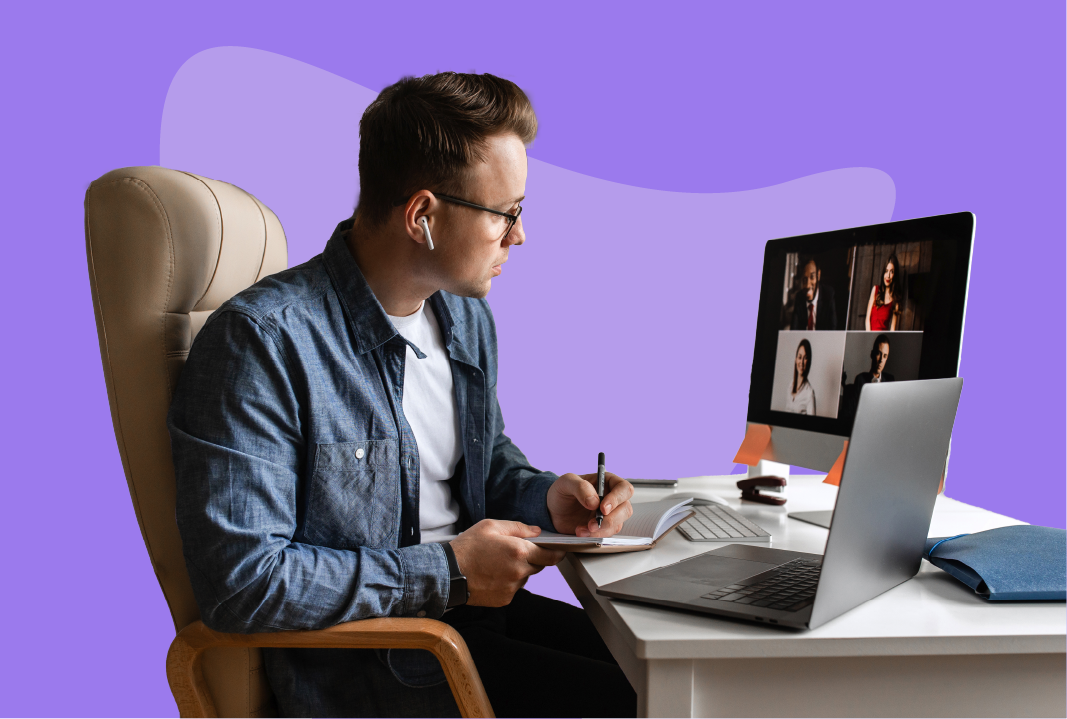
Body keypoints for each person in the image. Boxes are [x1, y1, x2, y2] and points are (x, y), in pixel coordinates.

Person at [168, 72, 638, 718]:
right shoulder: (262, 343)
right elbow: (243, 583)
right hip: (375, 666)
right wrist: (446, 568)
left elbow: (478, 461)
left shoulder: (464, 317)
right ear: (422, 215)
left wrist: (545, 497)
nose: (518, 237)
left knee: (669, 670)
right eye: (507, 213)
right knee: (652, 701)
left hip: (468, 618)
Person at [789, 256, 838, 330]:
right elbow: (793, 330)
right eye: (805, 279)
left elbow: (833, 330)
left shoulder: (828, 295)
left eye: (812, 277)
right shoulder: (799, 298)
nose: (808, 285)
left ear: (818, 275)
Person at [865, 253, 901, 331]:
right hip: (870, 337)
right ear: (883, 272)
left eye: (891, 272)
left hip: (884, 340)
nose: (888, 276)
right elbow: (867, 319)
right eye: (886, 271)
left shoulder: (895, 300)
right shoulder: (875, 289)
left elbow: (893, 328)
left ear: (895, 275)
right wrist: (870, 338)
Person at [785, 339, 816, 415]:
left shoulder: (809, 393)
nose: (801, 362)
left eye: (805, 358)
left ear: (808, 362)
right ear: (796, 360)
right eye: (799, 357)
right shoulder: (790, 385)